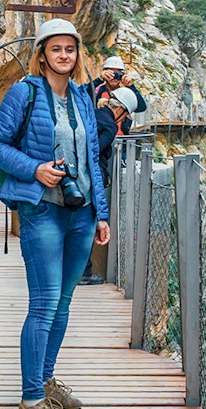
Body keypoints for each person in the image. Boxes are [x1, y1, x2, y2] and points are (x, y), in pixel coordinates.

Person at [0, 19, 110, 409]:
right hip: (42, 211)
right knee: (43, 303)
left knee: (64, 302)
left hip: (82, 212)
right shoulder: (25, 92)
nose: (63, 56)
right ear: (42, 54)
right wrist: (36, 169)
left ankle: (46, 381)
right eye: (55, 49)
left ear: (76, 56)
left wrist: (102, 213)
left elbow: (93, 158)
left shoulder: (82, 98)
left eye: (69, 50)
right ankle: (31, 399)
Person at [78, 87, 139, 286]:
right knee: (87, 225)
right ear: (120, 109)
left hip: (75, 176)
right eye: (126, 114)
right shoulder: (111, 127)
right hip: (90, 180)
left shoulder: (93, 114)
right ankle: (84, 273)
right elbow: (94, 151)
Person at [89, 55, 147, 135]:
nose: (114, 77)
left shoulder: (126, 94)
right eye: (111, 73)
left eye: (117, 73)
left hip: (121, 139)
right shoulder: (97, 92)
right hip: (101, 138)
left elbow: (141, 108)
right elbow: (82, 95)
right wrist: (99, 80)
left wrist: (130, 86)